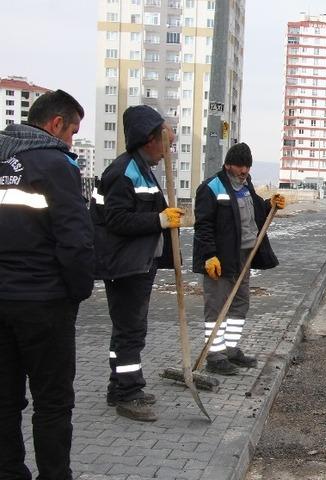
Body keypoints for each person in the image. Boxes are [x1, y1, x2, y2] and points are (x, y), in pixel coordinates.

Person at [0, 89, 93, 479]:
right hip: (43, 302)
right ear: (56, 124)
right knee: (52, 402)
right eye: (72, 132)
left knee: (4, 400)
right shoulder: (56, 164)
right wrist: (78, 291)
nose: (71, 141)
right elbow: (75, 239)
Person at [90, 105, 182, 422]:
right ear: (149, 139)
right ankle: (129, 394)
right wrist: (159, 219)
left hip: (139, 263)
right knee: (130, 331)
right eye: (165, 143)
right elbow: (116, 220)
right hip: (125, 265)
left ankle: (119, 386)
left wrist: (165, 218)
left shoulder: (142, 169)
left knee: (128, 330)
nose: (167, 151)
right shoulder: (123, 172)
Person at [192, 143, 284, 375]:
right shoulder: (211, 188)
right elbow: (203, 226)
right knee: (216, 307)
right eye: (240, 166)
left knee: (240, 303)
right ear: (228, 165)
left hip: (244, 255)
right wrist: (209, 256)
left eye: (247, 166)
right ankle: (215, 356)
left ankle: (230, 349)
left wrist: (270, 204)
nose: (244, 171)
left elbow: (256, 211)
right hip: (220, 259)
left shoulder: (246, 185)